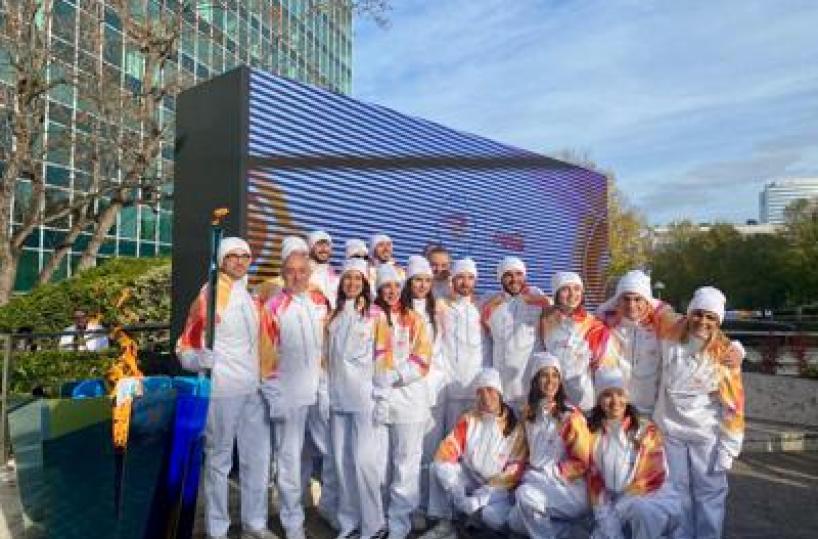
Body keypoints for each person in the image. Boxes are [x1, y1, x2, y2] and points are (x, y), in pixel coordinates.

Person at [176, 237, 276, 539]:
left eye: (245, 256)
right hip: (223, 389)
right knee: (219, 460)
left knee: (257, 459)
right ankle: (217, 529)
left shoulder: (251, 297)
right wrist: (198, 359)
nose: (240, 261)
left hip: (254, 389)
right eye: (233, 256)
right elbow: (184, 347)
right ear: (222, 261)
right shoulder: (210, 295)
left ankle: (255, 523)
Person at [259, 236, 336, 539]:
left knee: (330, 451)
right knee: (290, 459)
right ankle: (293, 522)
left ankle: (330, 507)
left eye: (302, 271)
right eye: (290, 271)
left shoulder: (320, 301)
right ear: (282, 272)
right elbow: (265, 355)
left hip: (318, 390)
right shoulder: (273, 307)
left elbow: (329, 345)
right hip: (289, 394)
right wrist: (273, 394)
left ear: (309, 272)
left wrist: (327, 383)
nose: (296, 276)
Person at [653, 286, 745, 539]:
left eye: (710, 317)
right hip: (670, 432)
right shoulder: (669, 328)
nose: (702, 321)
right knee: (676, 491)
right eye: (698, 314)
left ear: (718, 321)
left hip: (707, 436)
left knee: (709, 494)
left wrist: (729, 448)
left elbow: (734, 406)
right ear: (689, 312)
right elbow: (643, 301)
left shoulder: (725, 354)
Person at [598, 270, 745, 416]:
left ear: (647, 301)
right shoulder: (603, 324)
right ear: (618, 300)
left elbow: (700, 329)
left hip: (651, 411)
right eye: (626, 298)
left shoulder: (663, 322)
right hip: (615, 409)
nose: (631, 305)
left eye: (637, 299)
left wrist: (736, 349)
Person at [420, 368, 527, 538]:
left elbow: (514, 472)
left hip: (497, 489)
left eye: (490, 390)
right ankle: (445, 523)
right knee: (436, 469)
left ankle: (469, 523)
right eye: (480, 392)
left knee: (493, 519)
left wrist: (480, 498)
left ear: (499, 393)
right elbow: (446, 451)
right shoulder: (469, 419)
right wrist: (457, 491)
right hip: (471, 478)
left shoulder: (514, 427)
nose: (485, 397)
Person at [326, 258, 390, 539]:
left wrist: (382, 394)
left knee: (364, 463)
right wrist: (324, 392)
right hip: (337, 399)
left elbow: (383, 356)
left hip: (365, 399)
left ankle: (374, 524)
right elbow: (326, 359)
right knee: (342, 462)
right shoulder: (334, 316)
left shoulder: (375, 315)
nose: (352, 283)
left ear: (365, 283)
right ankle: (349, 523)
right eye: (347, 278)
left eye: (357, 278)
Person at [371, 263, 433, 539]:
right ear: (378, 289)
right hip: (377, 402)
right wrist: (376, 380)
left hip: (409, 403)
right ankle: (380, 521)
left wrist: (394, 375)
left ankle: (399, 526)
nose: (392, 291)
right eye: (386, 286)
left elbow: (422, 359)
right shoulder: (369, 317)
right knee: (379, 467)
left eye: (397, 285)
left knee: (406, 466)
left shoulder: (415, 319)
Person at [586, 367, 680, 539]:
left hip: (650, 499)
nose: (615, 401)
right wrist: (607, 520)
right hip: (612, 505)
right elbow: (595, 483)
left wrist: (617, 512)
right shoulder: (593, 435)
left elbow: (650, 479)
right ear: (598, 400)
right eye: (607, 395)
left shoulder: (645, 431)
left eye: (620, 394)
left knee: (642, 511)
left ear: (627, 397)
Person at [508, 352, 591, 539]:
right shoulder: (528, 414)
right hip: (539, 483)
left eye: (555, 376)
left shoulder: (570, 416)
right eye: (544, 375)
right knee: (513, 521)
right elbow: (523, 453)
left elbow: (583, 462)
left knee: (525, 497)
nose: (550, 381)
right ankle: (572, 532)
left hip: (569, 488)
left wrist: (550, 472)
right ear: (535, 380)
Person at [401, 255, 449, 531]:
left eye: (426, 281)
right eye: (417, 280)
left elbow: (442, 351)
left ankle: (426, 506)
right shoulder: (398, 311)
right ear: (409, 282)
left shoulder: (438, 310)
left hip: (433, 391)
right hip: (407, 391)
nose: (421, 285)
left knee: (430, 453)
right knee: (408, 454)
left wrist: (437, 380)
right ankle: (406, 507)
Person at [481, 256, 550, 411]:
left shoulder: (538, 299)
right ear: (500, 278)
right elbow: (484, 326)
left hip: (534, 380)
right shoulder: (493, 303)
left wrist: (536, 299)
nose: (514, 279)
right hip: (505, 383)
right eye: (508, 275)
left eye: (518, 274)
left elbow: (553, 317)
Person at [541, 271, 613, 412]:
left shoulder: (595, 326)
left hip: (584, 401)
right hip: (552, 396)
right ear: (556, 294)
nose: (572, 294)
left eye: (577, 289)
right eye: (565, 289)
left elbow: (602, 369)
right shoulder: (545, 321)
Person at [308, 230, 340, 309]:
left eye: (327, 245)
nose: (324, 248)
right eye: (319, 244)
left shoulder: (335, 276)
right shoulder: (303, 272)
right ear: (310, 248)